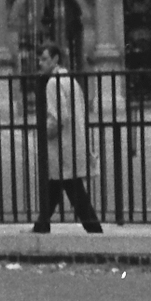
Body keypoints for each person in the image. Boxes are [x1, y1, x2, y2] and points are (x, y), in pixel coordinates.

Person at [32, 41, 103, 234]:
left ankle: (94, 229)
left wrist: (46, 134)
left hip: (62, 145)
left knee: (71, 189)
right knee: (57, 187)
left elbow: (58, 117)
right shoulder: (70, 81)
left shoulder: (53, 83)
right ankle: (41, 226)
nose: (40, 63)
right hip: (74, 141)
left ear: (55, 59)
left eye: (44, 59)